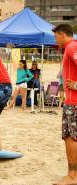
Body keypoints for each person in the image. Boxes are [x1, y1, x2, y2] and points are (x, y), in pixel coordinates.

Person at [52, 24, 77, 185]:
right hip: (70, 102)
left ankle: (72, 176)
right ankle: (72, 175)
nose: (56, 40)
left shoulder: (71, 47)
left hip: (74, 103)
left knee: (72, 138)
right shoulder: (69, 48)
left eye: (56, 37)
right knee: (69, 137)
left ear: (62, 34)